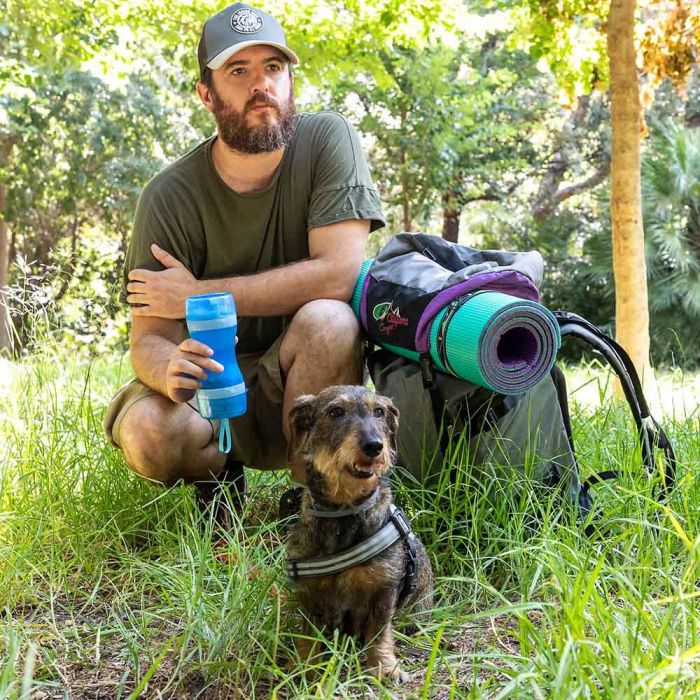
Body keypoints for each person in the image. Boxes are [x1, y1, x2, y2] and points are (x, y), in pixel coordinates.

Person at [103, 2, 385, 512]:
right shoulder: (168, 195)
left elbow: (340, 274)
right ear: (206, 93)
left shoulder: (327, 140)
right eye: (239, 71)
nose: (263, 85)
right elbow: (148, 338)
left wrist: (196, 294)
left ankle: (312, 501)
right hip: (209, 388)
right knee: (147, 433)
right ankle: (218, 479)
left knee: (332, 319)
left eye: (273, 68)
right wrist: (170, 368)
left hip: (297, 375)